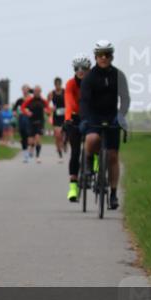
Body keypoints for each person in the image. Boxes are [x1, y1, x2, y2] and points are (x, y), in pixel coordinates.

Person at [79, 40, 130, 210]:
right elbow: (84, 101)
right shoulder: (89, 77)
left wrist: (121, 115)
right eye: (100, 55)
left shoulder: (118, 75)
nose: (103, 58)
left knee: (113, 155)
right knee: (92, 138)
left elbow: (125, 98)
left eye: (107, 54)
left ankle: (113, 194)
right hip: (93, 115)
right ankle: (87, 159)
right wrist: (85, 118)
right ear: (95, 57)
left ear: (111, 56)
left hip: (111, 115)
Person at [64, 55, 91, 201]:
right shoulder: (70, 83)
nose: (80, 71)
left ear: (89, 69)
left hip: (91, 116)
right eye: (77, 68)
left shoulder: (93, 81)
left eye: (84, 68)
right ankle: (73, 188)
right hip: (75, 116)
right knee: (75, 152)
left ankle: (96, 165)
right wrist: (67, 119)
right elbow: (68, 101)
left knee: (94, 142)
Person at [21, 85, 51, 163]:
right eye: (35, 91)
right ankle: (31, 149)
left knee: (38, 137)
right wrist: (27, 112)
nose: (37, 93)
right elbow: (22, 107)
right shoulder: (30, 100)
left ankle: (38, 156)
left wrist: (47, 111)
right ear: (33, 92)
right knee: (30, 141)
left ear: (40, 92)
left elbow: (48, 109)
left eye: (38, 91)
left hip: (40, 121)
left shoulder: (43, 101)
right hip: (31, 121)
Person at [49, 77, 67, 162]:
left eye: (59, 84)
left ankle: (64, 142)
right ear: (54, 84)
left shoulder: (65, 92)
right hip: (56, 116)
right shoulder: (51, 93)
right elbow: (47, 103)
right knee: (57, 135)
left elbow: (70, 100)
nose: (58, 86)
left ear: (61, 84)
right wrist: (51, 108)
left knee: (63, 134)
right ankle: (60, 154)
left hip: (65, 115)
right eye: (56, 84)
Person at [14, 85, 32, 161]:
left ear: (28, 90)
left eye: (26, 89)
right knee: (23, 137)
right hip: (21, 119)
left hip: (30, 119)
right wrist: (15, 113)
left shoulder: (32, 99)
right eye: (23, 89)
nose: (25, 91)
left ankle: (30, 150)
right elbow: (14, 109)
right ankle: (25, 154)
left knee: (29, 136)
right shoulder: (19, 100)